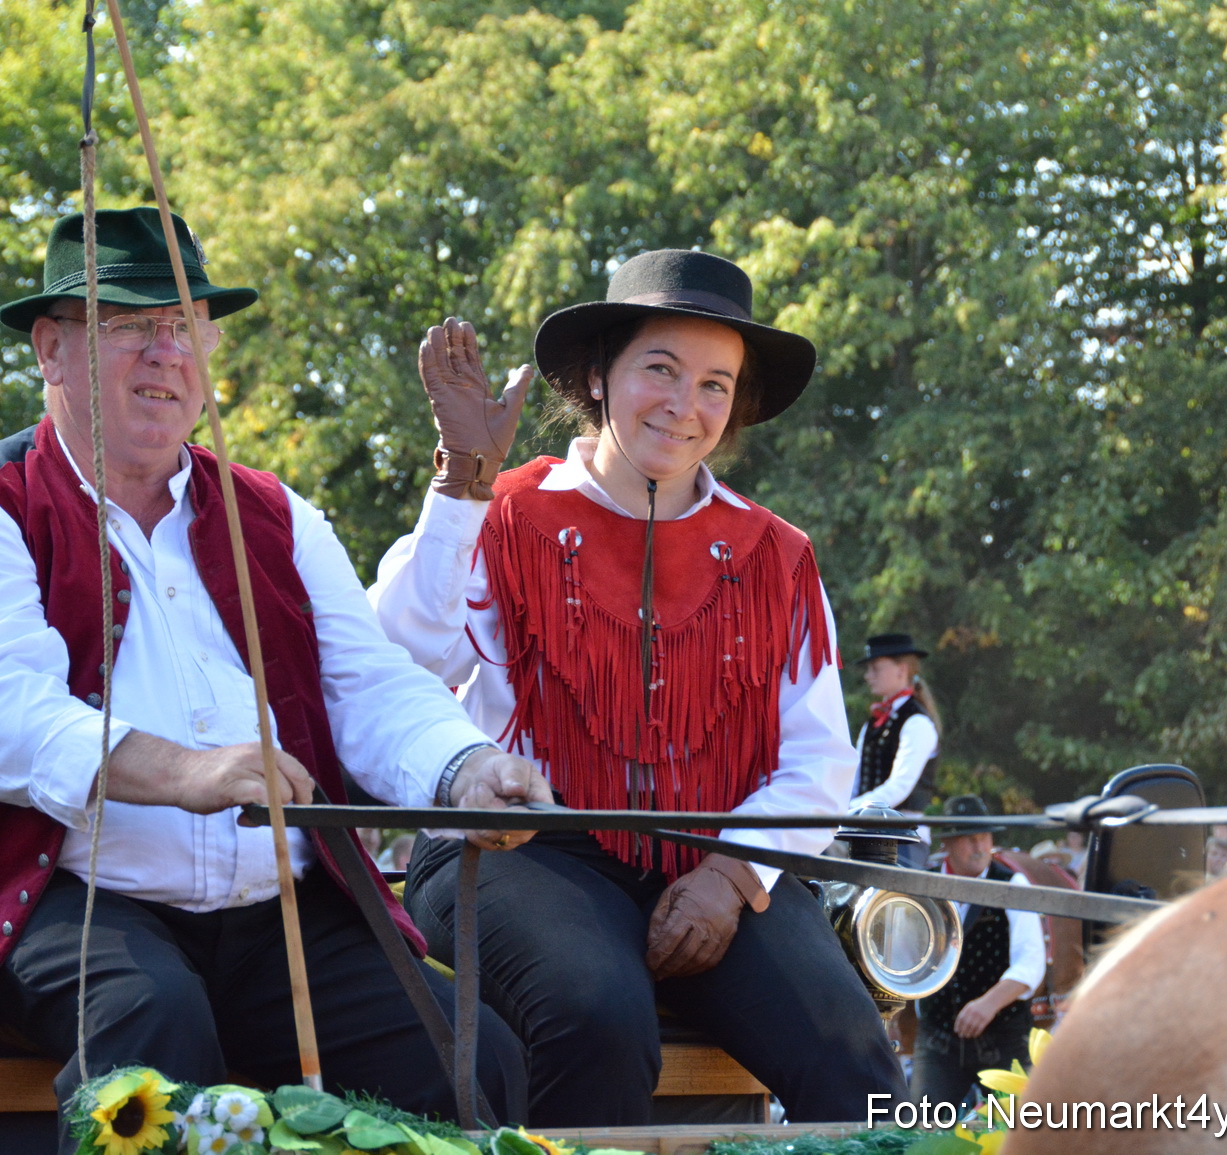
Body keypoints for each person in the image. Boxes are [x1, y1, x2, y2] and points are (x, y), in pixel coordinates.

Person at [0, 208, 545, 1146]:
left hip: (279, 913)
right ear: (51, 349)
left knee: (470, 1061)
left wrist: (466, 767)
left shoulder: (275, 512)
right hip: (59, 897)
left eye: (185, 326)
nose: (165, 353)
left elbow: (369, 686)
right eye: (130, 325)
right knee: (152, 1037)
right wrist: (187, 771)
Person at [370, 249, 906, 1125]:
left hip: (721, 856)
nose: (684, 405)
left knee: (859, 1057)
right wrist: (460, 480)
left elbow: (816, 758)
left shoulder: (779, 555)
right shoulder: (501, 510)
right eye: (661, 369)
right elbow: (394, 664)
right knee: (596, 1015)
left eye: (715, 385)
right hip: (518, 851)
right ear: (597, 374)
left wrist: (731, 873)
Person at [910, 795, 1045, 1110]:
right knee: (921, 1133)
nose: (980, 846)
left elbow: (1031, 964)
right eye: (970, 839)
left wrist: (988, 1004)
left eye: (985, 837)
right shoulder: (922, 886)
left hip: (1003, 1038)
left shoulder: (1013, 884)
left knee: (1018, 1134)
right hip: (937, 1041)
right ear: (949, 844)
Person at [849, 633, 940, 866]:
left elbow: (899, 787)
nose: (868, 676)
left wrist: (848, 809)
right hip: (865, 833)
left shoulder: (917, 722)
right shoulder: (872, 723)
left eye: (875, 668)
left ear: (901, 670)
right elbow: (854, 778)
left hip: (903, 839)